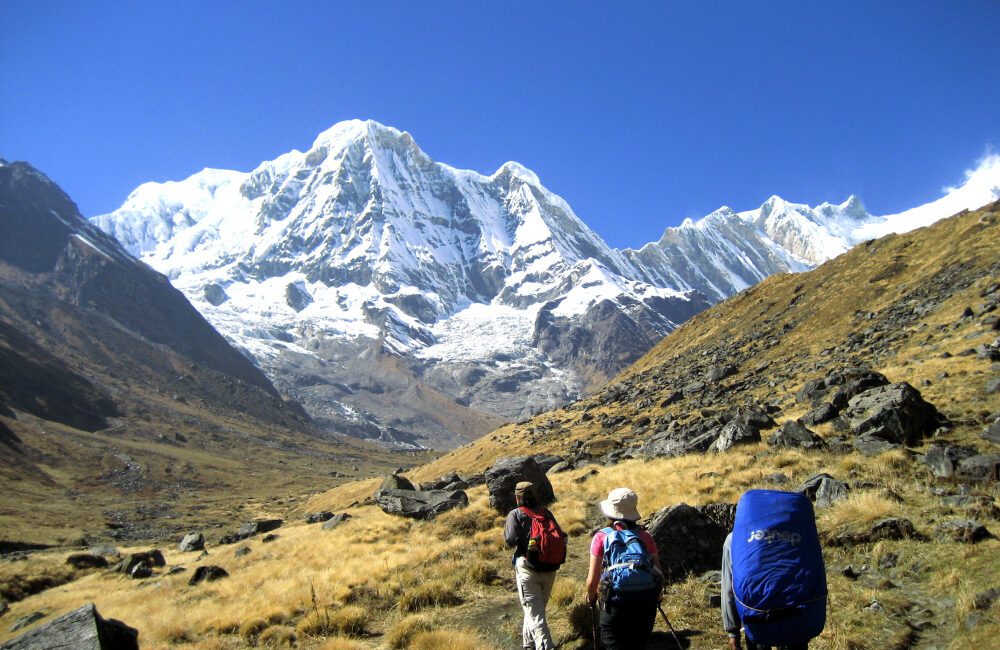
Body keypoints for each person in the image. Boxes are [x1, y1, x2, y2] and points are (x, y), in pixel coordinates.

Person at [584, 487, 663, 649]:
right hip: (646, 600)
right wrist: (658, 595)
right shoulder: (645, 537)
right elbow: (659, 573)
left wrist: (591, 597)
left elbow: (593, 579)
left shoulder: (601, 537)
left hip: (615, 602)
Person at [722, 532, 809, 650]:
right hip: (793, 615)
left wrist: (733, 632)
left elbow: (730, 587)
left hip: (756, 618)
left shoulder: (736, 538)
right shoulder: (794, 533)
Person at [504, 481, 564, 650]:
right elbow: (561, 535)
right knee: (535, 610)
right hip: (550, 567)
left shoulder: (515, 514)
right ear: (536, 494)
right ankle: (528, 644)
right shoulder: (546, 512)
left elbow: (510, 540)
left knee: (534, 612)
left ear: (517, 497)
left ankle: (545, 646)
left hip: (527, 568)